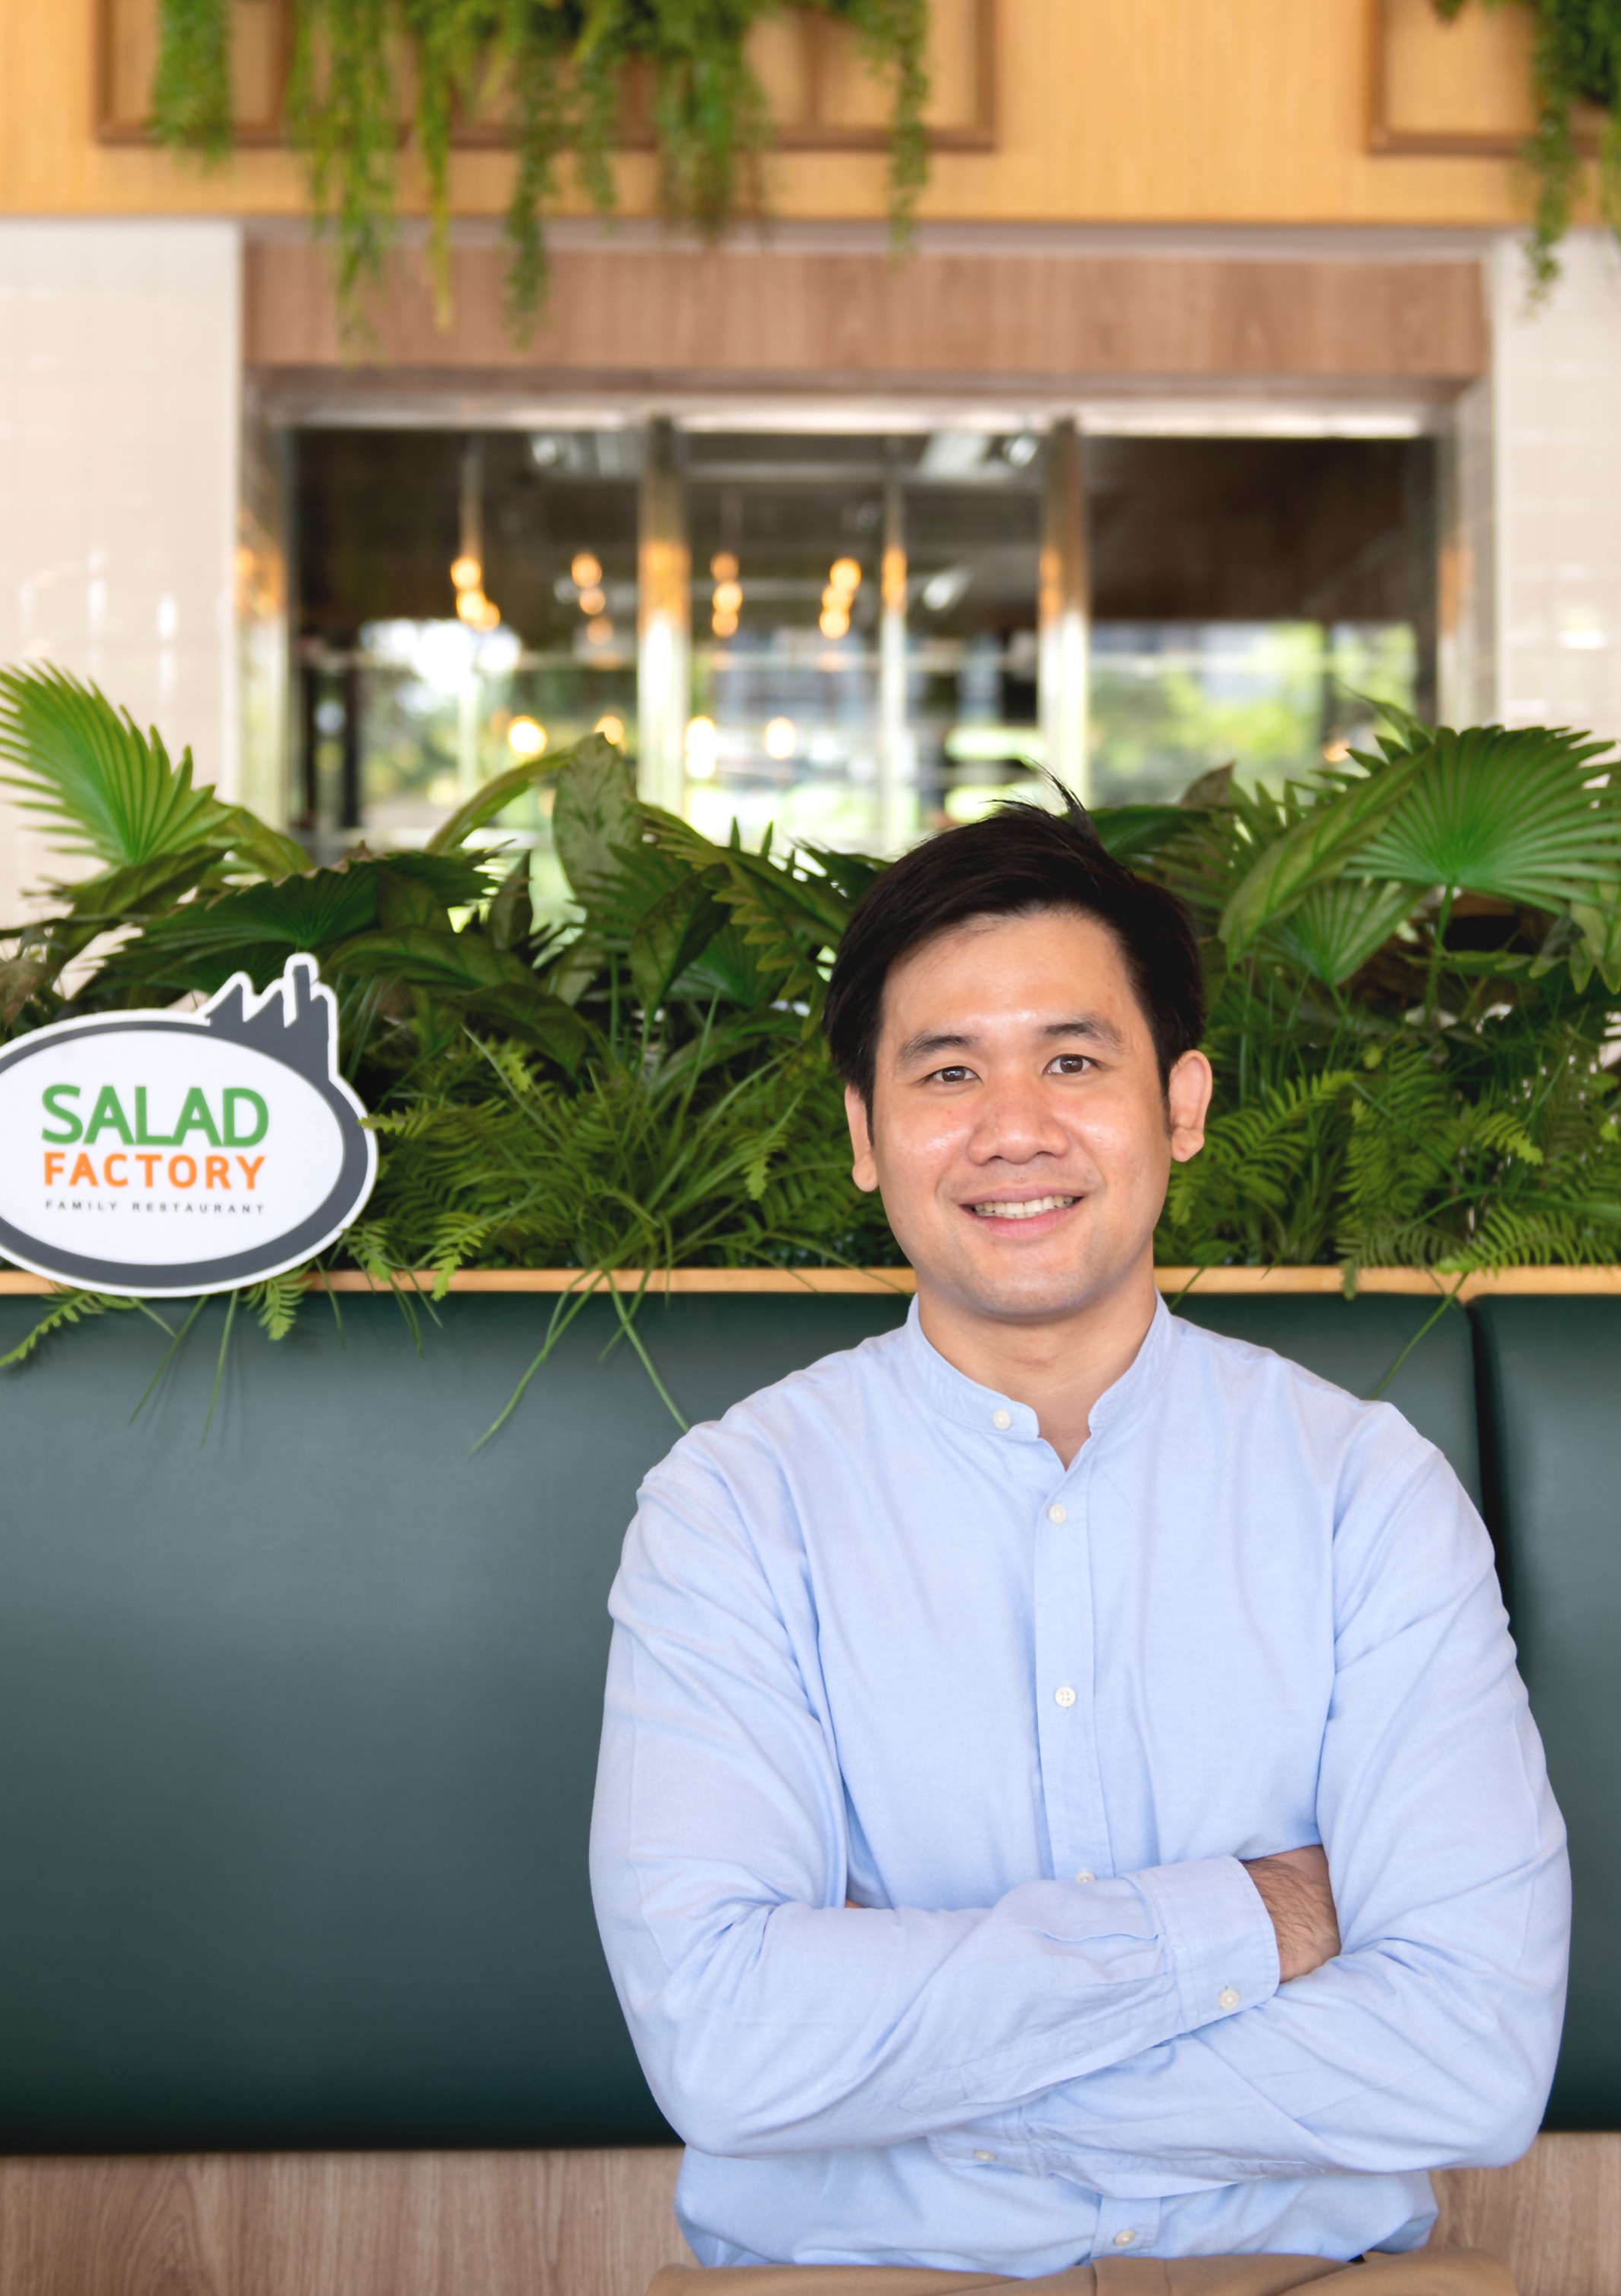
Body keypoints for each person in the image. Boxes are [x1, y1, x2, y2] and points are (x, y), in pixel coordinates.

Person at [588, 804, 1569, 2296]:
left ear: (1180, 1102)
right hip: (859, 2280)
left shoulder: (1362, 1491)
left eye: (1070, 1060)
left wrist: (909, 2069)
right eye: (947, 1071)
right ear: (863, 1133)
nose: (1013, 1128)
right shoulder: (733, 1508)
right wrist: (1259, 1913)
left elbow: (1472, 2055)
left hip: (1305, 2277)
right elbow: (726, 2048)